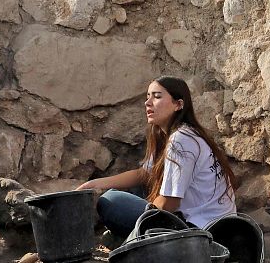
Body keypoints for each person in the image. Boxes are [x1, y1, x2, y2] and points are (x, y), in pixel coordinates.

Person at [77, 77, 238, 236]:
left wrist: (145, 215)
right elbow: (145, 174)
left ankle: (134, 241)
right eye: (148, 97)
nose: (148, 103)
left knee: (110, 201)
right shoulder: (172, 134)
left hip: (202, 231)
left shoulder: (181, 139)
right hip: (201, 222)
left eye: (157, 96)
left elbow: (169, 202)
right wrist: (96, 183)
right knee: (133, 189)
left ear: (178, 104)